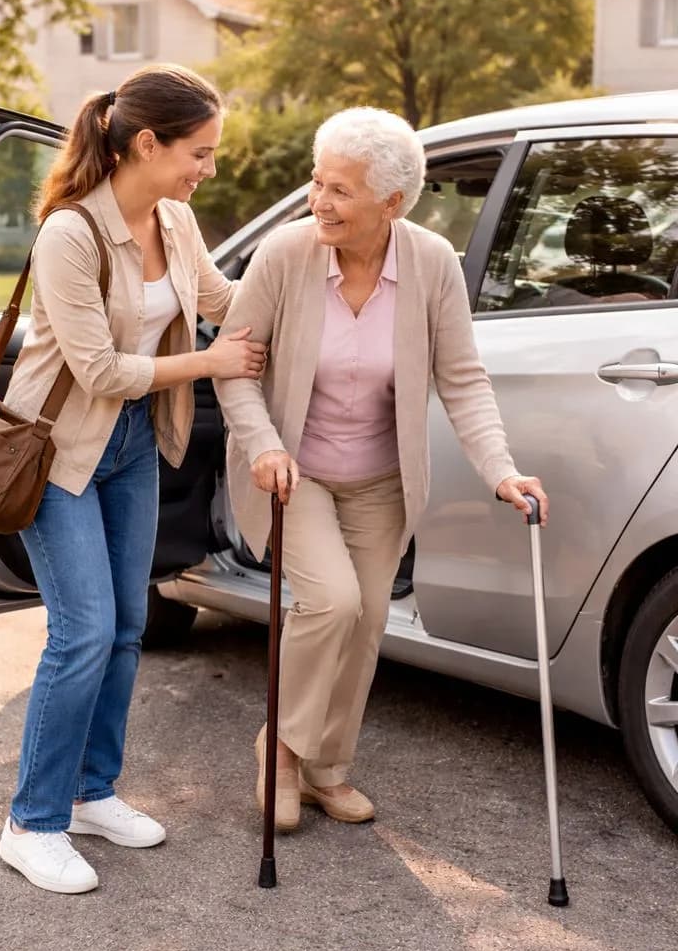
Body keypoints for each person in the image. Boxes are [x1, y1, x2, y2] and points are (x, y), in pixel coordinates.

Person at [214, 106, 548, 831]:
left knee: (367, 622)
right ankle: (282, 751)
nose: (319, 201)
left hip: (381, 480)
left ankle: (327, 769)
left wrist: (501, 469)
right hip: (295, 470)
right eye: (317, 182)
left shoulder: (432, 264)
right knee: (331, 602)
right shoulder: (284, 255)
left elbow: (462, 378)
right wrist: (263, 443)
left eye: (340, 190)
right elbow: (233, 366)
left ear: (391, 203)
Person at [0, 64, 266, 893]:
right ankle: (31, 821)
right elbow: (101, 370)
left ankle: (90, 792)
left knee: (125, 629)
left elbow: (224, 300)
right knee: (81, 633)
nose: (208, 169)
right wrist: (212, 362)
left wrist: (315, 267)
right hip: (59, 450)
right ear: (147, 143)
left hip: (135, 444)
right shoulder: (70, 234)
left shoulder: (175, 221)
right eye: (199, 152)